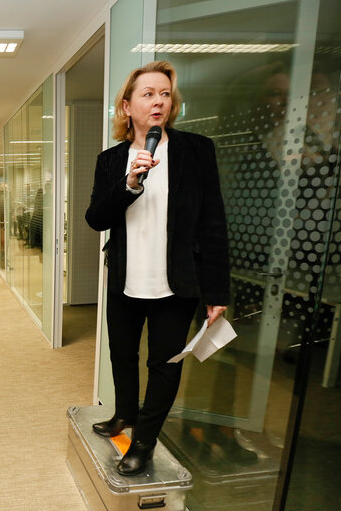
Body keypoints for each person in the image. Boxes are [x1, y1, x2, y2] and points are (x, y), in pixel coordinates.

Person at [85, 61, 230, 476]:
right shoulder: (111, 160)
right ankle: (123, 415)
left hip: (176, 283)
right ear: (127, 107)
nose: (158, 101)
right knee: (122, 355)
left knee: (164, 366)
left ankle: (144, 442)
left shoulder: (197, 150)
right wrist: (128, 185)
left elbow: (213, 223)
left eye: (165, 94)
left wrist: (217, 292)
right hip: (126, 279)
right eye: (148, 94)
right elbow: (96, 218)